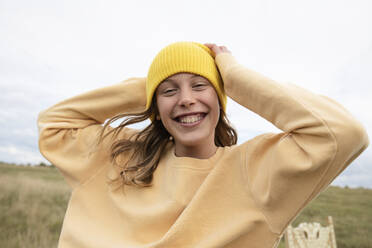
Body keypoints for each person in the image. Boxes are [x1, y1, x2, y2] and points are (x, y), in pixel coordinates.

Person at [37, 41, 369, 248]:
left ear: (222, 96)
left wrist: (235, 76)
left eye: (200, 85)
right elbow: (54, 124)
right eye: (170, 91)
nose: (185, 100)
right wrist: (149, 88)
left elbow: (344, 133)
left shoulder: (254, 171)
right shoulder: (118, 154)